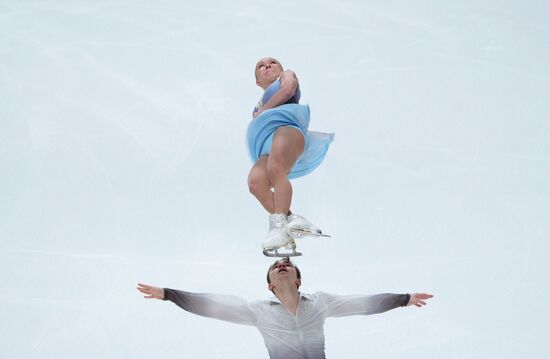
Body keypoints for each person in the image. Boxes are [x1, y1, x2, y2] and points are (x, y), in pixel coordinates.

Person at [137, 258, 433, 359]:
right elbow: (211, 305)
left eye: (287, 264)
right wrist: (168, 294)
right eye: (276, 266)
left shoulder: (321, 302)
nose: (282, 265)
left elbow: (363, 303)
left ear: (298, 278)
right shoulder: (257, 310)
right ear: (270, 285)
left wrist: (404, 298)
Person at [247, 58, 335, 255]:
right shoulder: (260, 102)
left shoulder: (286, 76)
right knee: (255, 183)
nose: (268, 65)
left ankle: (279, 227)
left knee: (275, 168)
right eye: (261, 65)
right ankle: (293, 220)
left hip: (287, 130)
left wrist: (263, 111)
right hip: (266, 142)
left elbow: (288, 90)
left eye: (273, 62)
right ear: (257, 82)